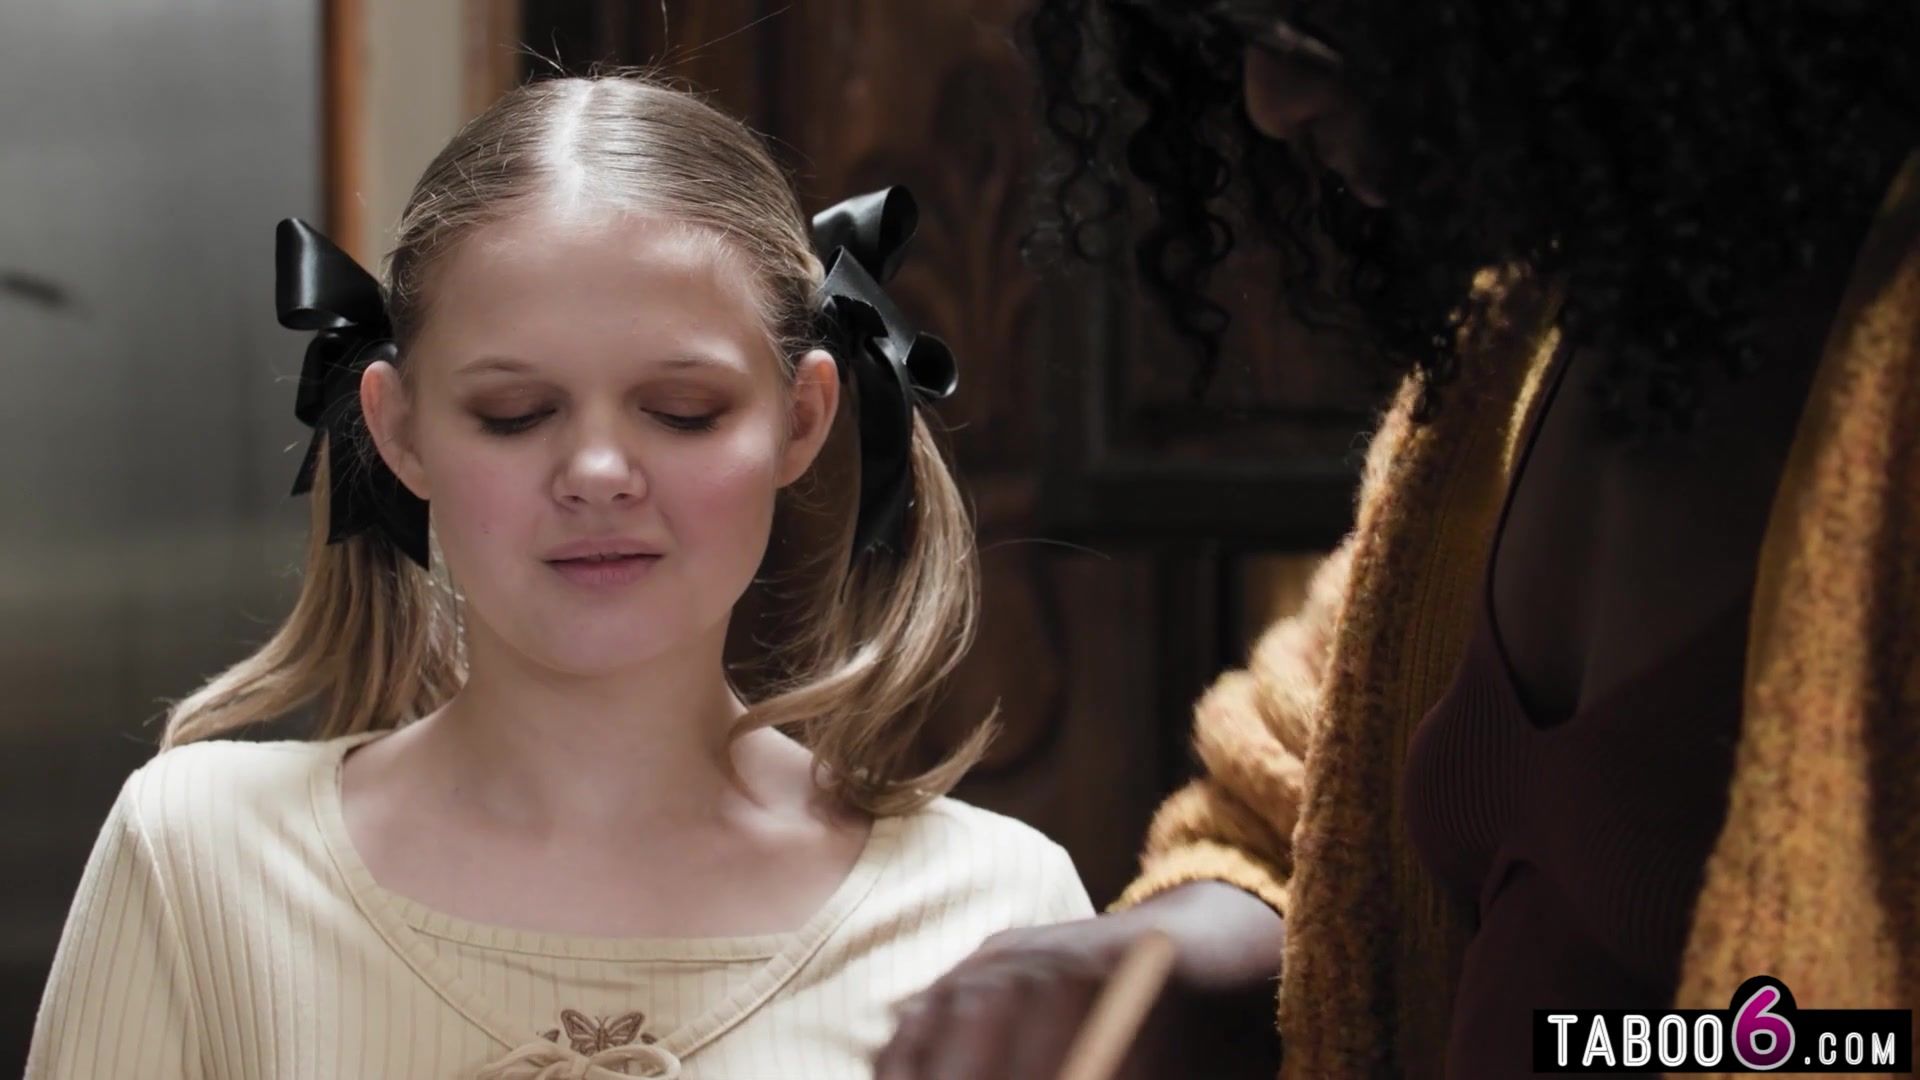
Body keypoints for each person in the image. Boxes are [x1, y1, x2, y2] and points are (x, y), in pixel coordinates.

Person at [874, 2, 1920, 1077]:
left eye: (1320, 23)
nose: (1268, 100)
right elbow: (1304, 815)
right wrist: (1163, 956)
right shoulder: (1524, 335)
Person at [27, 73, 1092, 1080]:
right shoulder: (199, 860)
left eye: (681, 411)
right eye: (515, 414)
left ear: (802, 420)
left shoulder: (995, 915)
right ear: (399, 432)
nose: (596, 473)